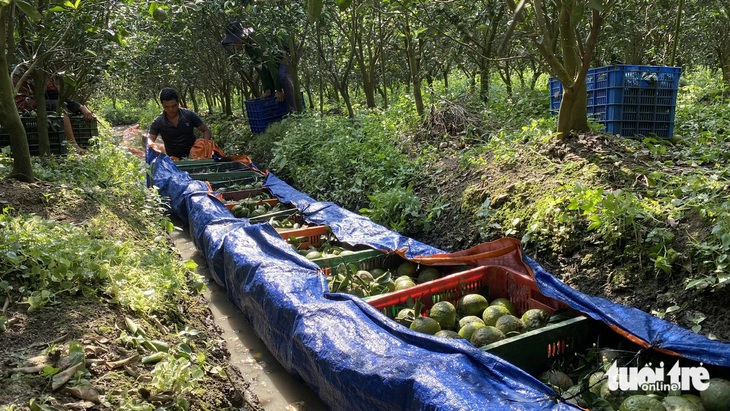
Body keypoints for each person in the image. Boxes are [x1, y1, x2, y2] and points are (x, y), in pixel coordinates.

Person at [222, 21, 296, 113]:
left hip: (288, 52)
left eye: (235, 41)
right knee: (271, 84)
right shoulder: (248, 47)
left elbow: (270, 64)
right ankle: (279, 113)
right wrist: (267, 88)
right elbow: (260, 67)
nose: (235, 45)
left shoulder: (257, 40)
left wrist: (279, 90)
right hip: (277, 57)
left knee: (282, 75)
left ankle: (293, 111)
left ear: (241, 36)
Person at [15, 78, 95, 151]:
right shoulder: (33, 75)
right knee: (60, 107)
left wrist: (81, 107)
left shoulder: (46, 76)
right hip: (24, 103)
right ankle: (73, 145)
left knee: (61, 105)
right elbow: (55, 98)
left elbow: (57, 97)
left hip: (34, 101)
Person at [147, 88, 212, 160]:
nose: (171, 109)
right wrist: (154, 148)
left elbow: (206, 130)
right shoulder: (158, 122)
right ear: (162, 105)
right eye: (167, 107)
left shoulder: (188, 115)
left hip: (194, 157)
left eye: (173, 106)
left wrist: (205, 145)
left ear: (178, 103)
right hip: (173, 160)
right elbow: (150, 139)